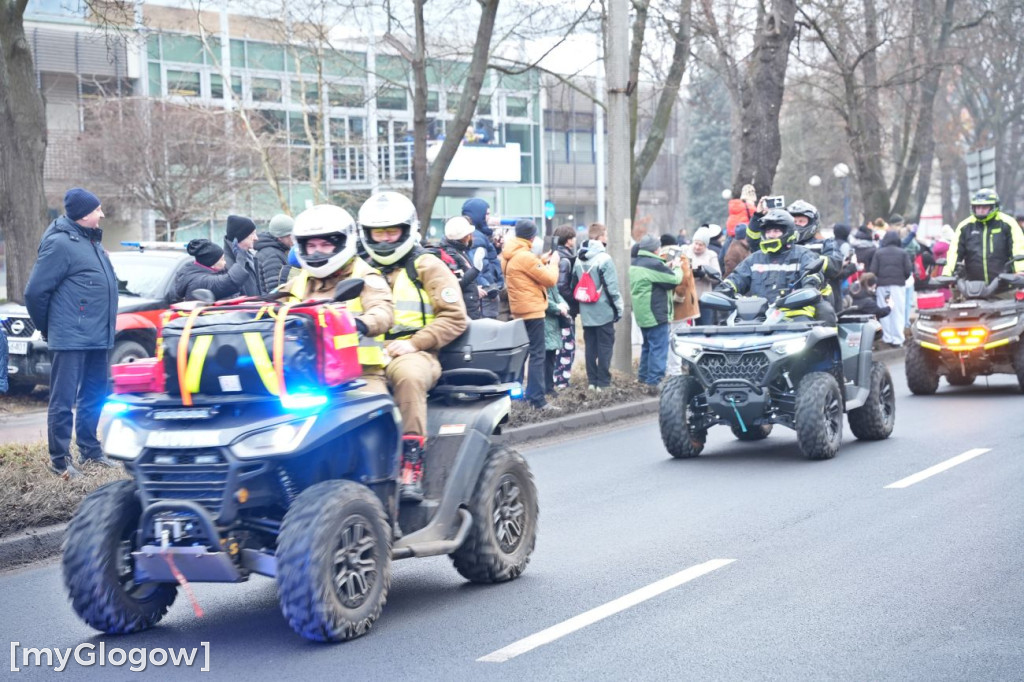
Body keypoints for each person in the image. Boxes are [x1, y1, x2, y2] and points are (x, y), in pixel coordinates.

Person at [359, 192, 468, 503]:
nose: (384, 240)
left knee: (407, 377)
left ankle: (411, 466)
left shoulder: (427, 265)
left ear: (407, 231)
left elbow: (455, 318)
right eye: (377, 233)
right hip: (366, 355)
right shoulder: (357, 269)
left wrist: (413, 343)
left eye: (391, 232)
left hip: (418, 352)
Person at [24, 188, 119, 479]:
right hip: (70, 336)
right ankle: (59, 460)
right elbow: (35, 292)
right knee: (63, 400)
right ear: (84, 214)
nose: (102, 214)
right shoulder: (60, 244)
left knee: (94, 395)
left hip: (97, 335)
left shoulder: (92, 243)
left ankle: (90, 449)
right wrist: (49, 329)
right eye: (98, 209)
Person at [282, 204, 394, 395]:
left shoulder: (366, 277)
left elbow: (383, 312)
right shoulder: (298, 282)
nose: (317, 252)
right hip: (306, 375)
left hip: (361, 375)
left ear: (343, 243)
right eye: (311, 246)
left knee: (370, 411)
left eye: (326, 245)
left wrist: (358, 323)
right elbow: (269, 309)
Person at [716, 209, 834, 324]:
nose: (771, 235)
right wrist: (722, 291)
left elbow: (812, 276)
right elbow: (736, 278)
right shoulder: (754, 259)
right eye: (768, 231)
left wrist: (809, 287)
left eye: (776, 231)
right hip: (756, 319)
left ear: (788, 231)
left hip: (794, 317)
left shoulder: (803, 255)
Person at [501, 219, 561, 410]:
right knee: (537, 354)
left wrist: (541, 261)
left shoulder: (511, 254)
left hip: (519, 310)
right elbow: (550, 279)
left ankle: (517, 395)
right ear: (532, 237)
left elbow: (525, 272)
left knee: (522, 354)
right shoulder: (524, 257)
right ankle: (537, 398)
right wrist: (554, 264)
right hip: (532, 310)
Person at [572, 223, 623, 391]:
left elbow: (574, 283)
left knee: (590, 348)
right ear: (601, 238)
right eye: (606, 235)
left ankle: (592, 382)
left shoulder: (579, 258)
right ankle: (603, 382)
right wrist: (618, 308)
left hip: (587, 311)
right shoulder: (604, 259)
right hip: (604, 311)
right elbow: (612, 288)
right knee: (605, 347)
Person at [630, 234, 682, 387]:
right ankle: (655, 382)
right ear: (655, 249)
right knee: (659, 348)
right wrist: (677, 266)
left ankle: (643, 377)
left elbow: (654, 279)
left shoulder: (637, 262)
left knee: (647, 347)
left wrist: (667, 268)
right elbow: (674, 279)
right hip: (655, 312)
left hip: (643, 313)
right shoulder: (653, 265)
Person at [942, 188, 1024, 282]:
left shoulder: (1008, 223)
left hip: (1005, 285)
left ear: (994, 206)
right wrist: (947, 275)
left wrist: (1021, 270)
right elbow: (954, 252)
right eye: (977, 207)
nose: (980, 210)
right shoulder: (965, 226)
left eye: (984, 207)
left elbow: (1019, 249)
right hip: (971, 286)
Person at [785, 200, 844, 310]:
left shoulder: (826, 244)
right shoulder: (783, 246)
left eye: (801, 221)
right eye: (794, 221)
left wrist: (807, 260)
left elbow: (835, 265)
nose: (797, 224)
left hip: (821, 303)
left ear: (812, 223)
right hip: (785, 302)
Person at [869, 230, 913, 347]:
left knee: (884, 311)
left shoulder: (879, 253)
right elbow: (908, 270)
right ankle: (897, 339)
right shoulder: (903, 253)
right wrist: (902, 278)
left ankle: (887, 337)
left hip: (882, 285)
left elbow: (873, 270)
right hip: (898, 285)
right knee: (897, 311)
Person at [462, 198, 504, 318]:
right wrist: (490, 289)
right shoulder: (476, 237)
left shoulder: (478, 235)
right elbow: (477, 265)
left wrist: (496, 248)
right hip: (485, 295)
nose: (489, 218)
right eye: (487, 214)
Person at [173, 238, 249, 301]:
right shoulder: (200, 281)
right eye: (222, 259)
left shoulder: (197, 270)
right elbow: (229, 282)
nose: (225, 262)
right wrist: (240, 259)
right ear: (212, 264)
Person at [438, 216, 482, 320]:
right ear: (462, 237)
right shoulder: (450, 254)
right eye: (468, 235)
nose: (471, 237)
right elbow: (457, 282)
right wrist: (475, 270)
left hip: (468, 305)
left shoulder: (458, 251)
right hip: (465, 309)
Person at [553, 224, 579, 384]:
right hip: (564, 309)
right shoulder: (565, 260)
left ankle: (556, 379)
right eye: (573, 237)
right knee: (567, 347)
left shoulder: (553, 255)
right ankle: (561, 381)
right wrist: (574, 299)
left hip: (555, 308)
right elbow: (562, 286)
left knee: (558, 346)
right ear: (568, 240)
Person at [682, 226, 722, 325]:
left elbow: (717, 277)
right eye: (696, 243)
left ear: (706, 245)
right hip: (687, 298)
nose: (697, 247)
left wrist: (703, 275)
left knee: (705, 326)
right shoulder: (685, 251)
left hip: (704, 299)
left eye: (701, 245)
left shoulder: (711, 255)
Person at [223, 214, 263, 296]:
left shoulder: (250, 256)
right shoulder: (224, 263)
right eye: (252, 234)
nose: (256, 238)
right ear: (241, 236)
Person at [255, 213, 294, 292]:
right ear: (280, 237)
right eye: (290, 235)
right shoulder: (271, 255)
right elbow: (275, 290)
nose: (293, 239)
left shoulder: (277, 251)